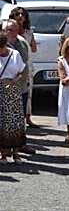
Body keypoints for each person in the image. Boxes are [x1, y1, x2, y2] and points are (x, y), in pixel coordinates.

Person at [0, 31, 26, 161]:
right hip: (0, 92)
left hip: (13, 92)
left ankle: (16, 152)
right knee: (2, 123)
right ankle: (3, 153)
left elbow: (22, 72)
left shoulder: (15, 54)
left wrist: (14, 81)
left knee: (15, 122)